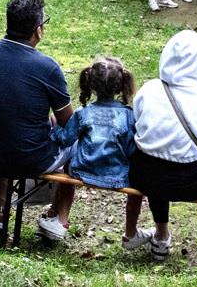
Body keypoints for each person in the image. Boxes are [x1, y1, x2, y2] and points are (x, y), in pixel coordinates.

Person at [0, 0, 76, 243]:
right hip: (26, 158)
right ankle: (58, 218)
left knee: (4, 128)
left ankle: (0, 209)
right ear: (38, 30)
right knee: (77, 143)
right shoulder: (47, 67)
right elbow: (69, 125)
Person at [129, 30, 197, 262]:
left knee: (158, 162)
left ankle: (161, 235)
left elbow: (138, 126)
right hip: (193, 181)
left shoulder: (149, 89)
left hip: (146, 177)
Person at [52, 57, 147, 250]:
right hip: (120, 176)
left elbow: (65, 139)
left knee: (68, 164)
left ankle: (61, 219)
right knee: (138, 185)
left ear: (91, 85)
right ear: (121, 86)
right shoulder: (128, 115)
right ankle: (130, 232)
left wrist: (53, 125)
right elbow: (131, 149)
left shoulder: (83, 113)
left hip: (82, 171)